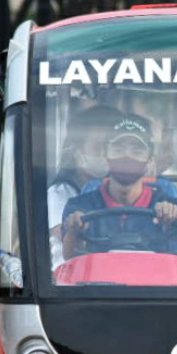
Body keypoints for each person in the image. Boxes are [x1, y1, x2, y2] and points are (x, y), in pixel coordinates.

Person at [62, 116, 177, 260]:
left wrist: (170, 218)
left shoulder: (170, 204)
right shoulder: (79, 206)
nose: (126, 157)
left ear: (150, 160)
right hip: (97, 281)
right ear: (105, 153)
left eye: (137, 151)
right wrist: (74, 230)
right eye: (118, 149)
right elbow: (70, 259)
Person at [47, 104, 123, 267]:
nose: (105, 154)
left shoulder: (124, 189)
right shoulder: (61, 193)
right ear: (76, 151)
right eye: (98, 147)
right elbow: (66, 235)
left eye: (111, 146)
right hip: (72, 279)